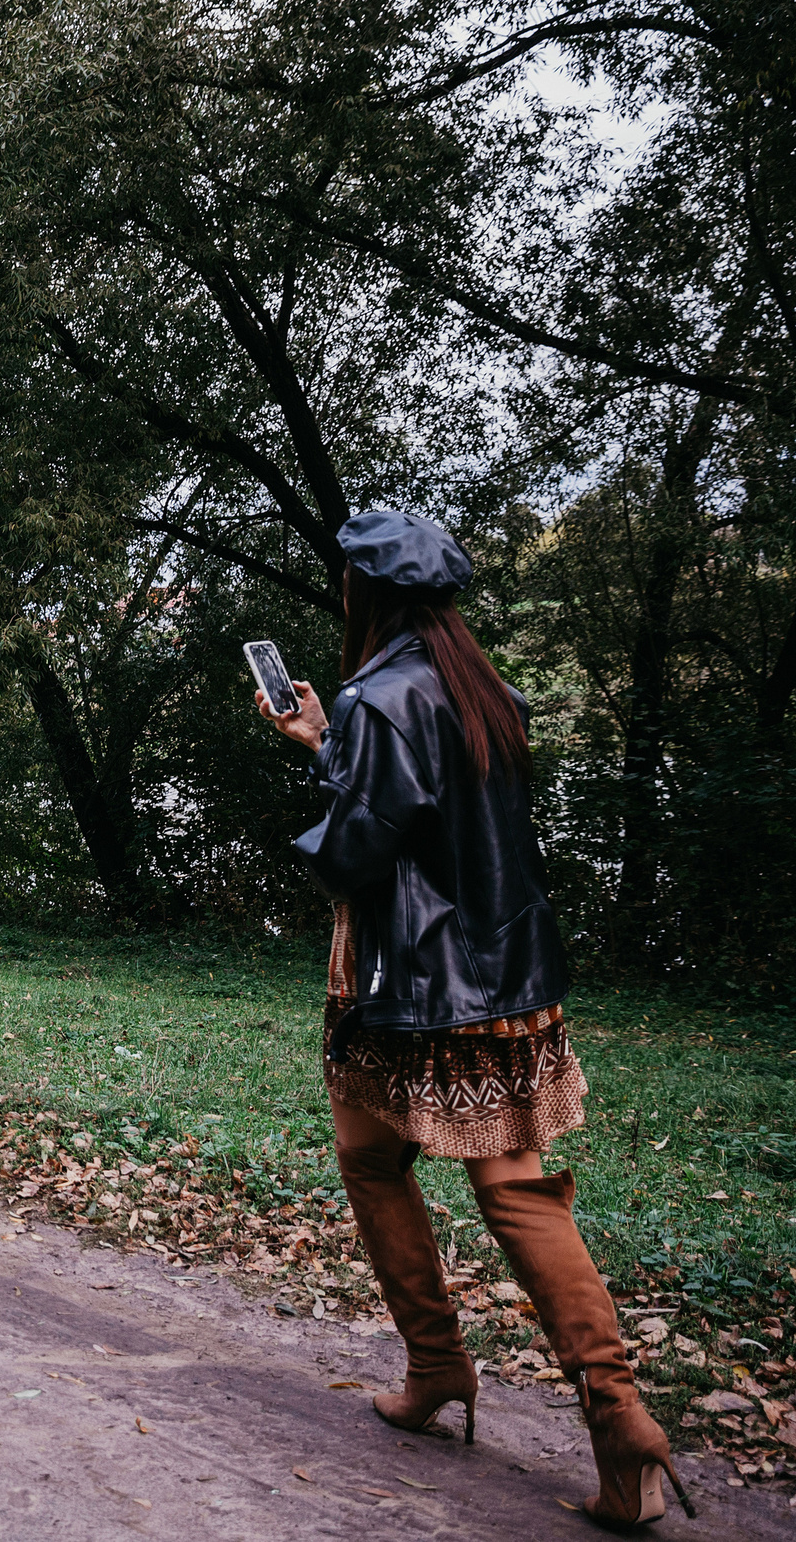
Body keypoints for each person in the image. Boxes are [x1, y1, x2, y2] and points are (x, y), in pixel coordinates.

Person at [260, 509, 688, 1527]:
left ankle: (437, 1365)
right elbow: (436, 816)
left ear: (368, 593)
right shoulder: (488, 689)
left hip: (406, 987)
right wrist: (333, 744)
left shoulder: (375, 694)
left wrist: (318, 746)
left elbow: (358, 849)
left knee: (371, 1161)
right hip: (508, 982)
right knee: (522, 1194)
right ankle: (620, 1416)